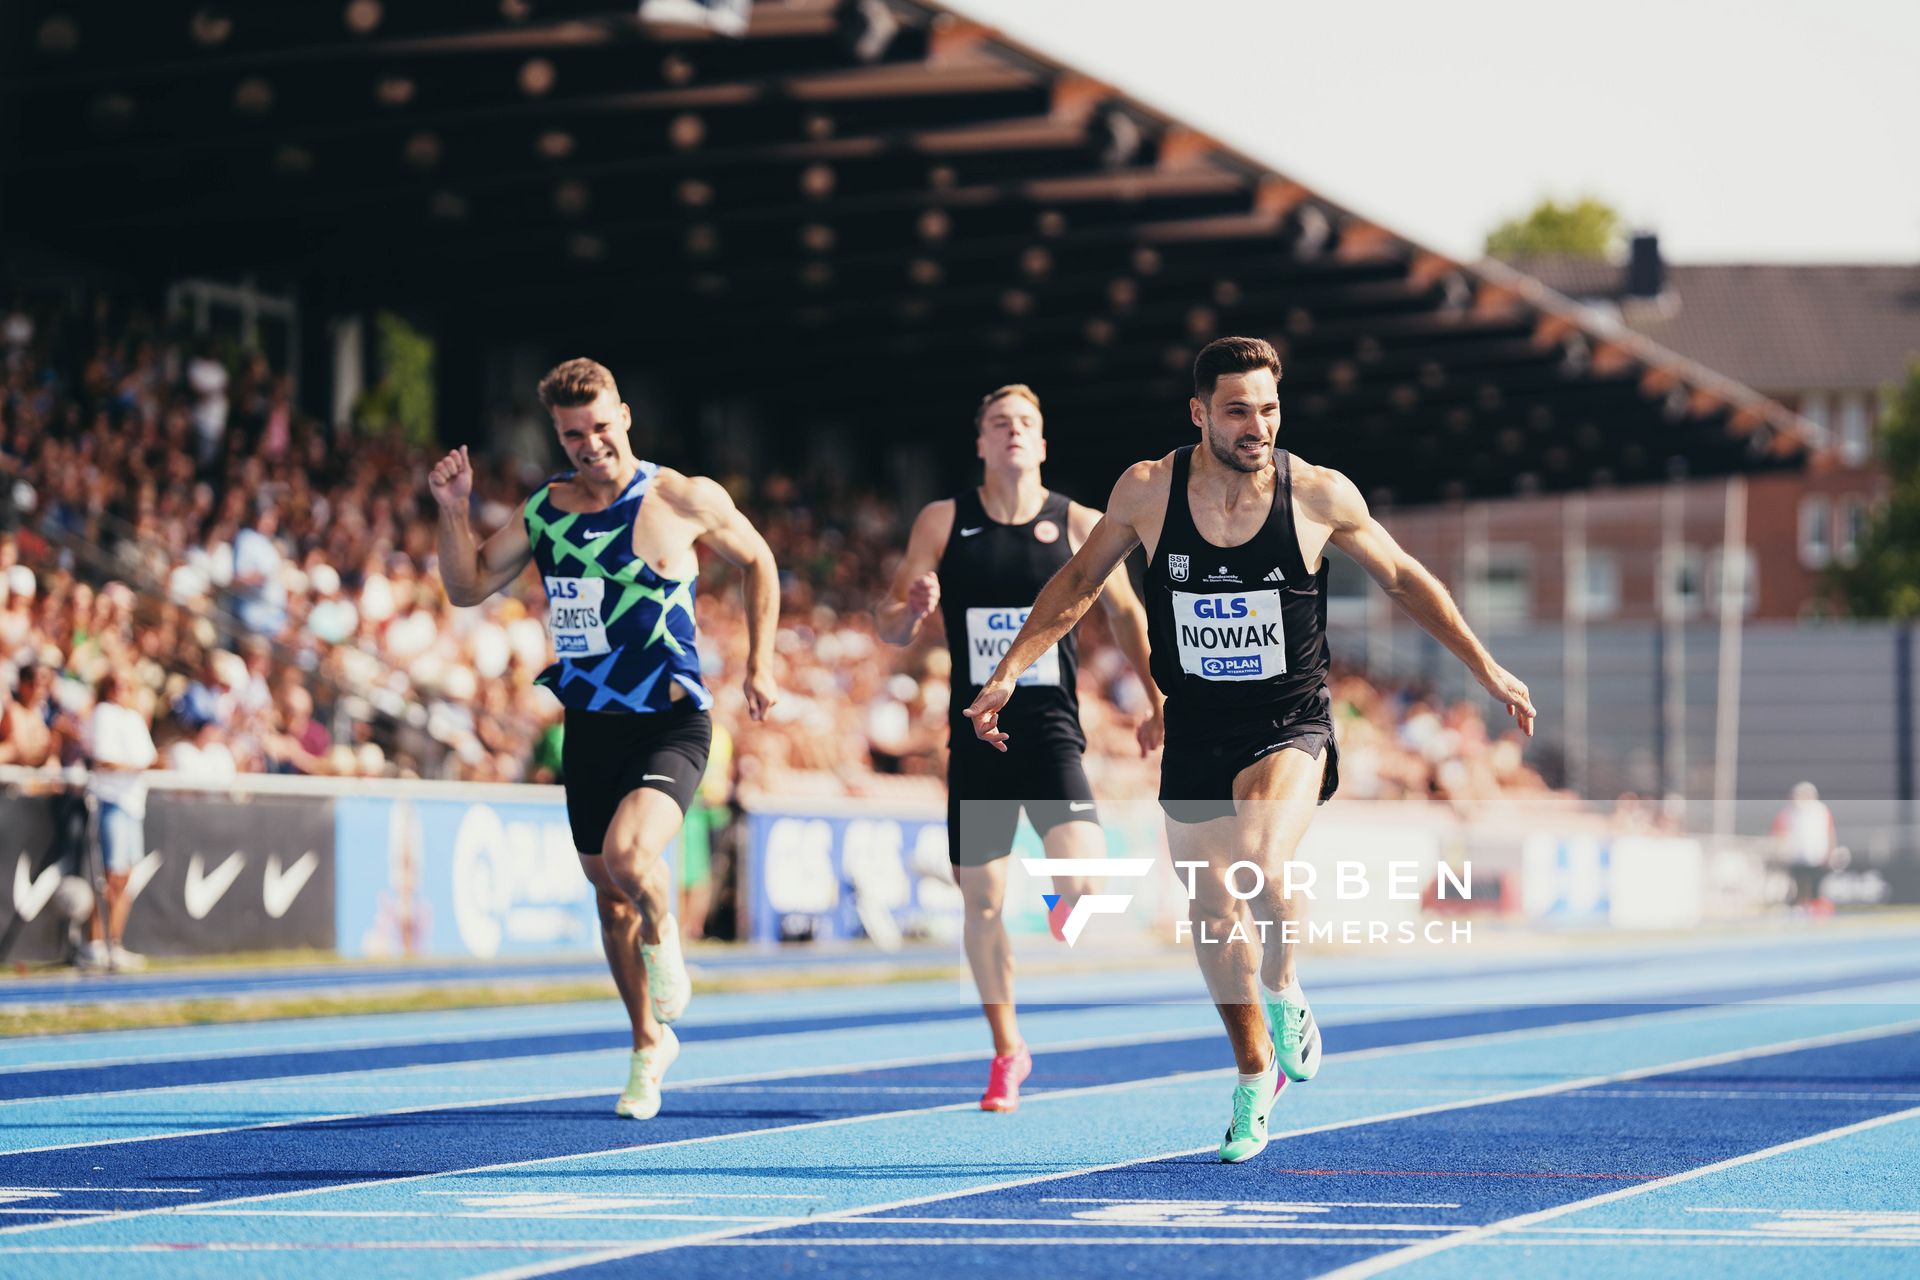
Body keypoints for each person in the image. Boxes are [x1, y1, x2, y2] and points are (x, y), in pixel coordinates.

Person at [963, 336, 1534, 1161]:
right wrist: (1011, 671)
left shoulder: (1320, 496)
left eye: (1268, 409)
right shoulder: (1148, 491)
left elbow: (1406, 578)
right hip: (1197, 726)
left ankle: (1284, 987)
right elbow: (1077, 585)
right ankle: (1249, 1076)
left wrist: (1487, 667)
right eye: (1236, 411)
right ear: (1199, 414)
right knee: (1209, 908)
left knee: (1261, 862)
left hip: (1289, 724)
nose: (1255, 426)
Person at [429, 357, 779, 1121]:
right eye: (570, 435)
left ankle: (669, 946)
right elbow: (465, 587)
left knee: (630, 859)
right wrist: (454, 510)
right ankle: (648, 1044)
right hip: (589, 726)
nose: (588, 445)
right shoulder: (546, 510)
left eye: (598, 427)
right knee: (607, 897)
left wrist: (761, 661)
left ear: (624, 415)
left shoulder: (680, 496)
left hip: (671, 720)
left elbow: (759, 560)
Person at [880, 383, 1162, 1113]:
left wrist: (1157, 699)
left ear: (1042, 443)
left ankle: (1065, 897)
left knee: (1084, 885)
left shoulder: (1078, 522)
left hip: (1049, 729)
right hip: (976, 733)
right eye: (998, 423)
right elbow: (890, 629)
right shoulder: (944, 520)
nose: (1012, 432)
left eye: (1025, 423)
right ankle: (1008, 1052)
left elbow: (1128, 614)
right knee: (982, 902)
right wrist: (908, 613)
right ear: (980, 442)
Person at [83, 671, 158, 972]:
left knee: (125, 877)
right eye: (116, 684)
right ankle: (94, 942)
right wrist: (131, 765)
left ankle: (114, 942)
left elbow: (147, 757)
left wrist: (130, 765)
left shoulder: (133, 719)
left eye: (126, 684)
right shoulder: (103, 714)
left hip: (132, 803)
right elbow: (104, 758)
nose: (121, 690)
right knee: (109, 875)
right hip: (111, 800)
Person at [1772, 781, 1837, 910]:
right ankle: (1800, 913)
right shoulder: (1788, 811)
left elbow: (1830, 832)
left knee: (1816, 889)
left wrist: (1831, 852)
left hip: (1816, 856)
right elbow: (1779, 832)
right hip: (1796, 857)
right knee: (1797, 889)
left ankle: (1817, 915)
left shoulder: (1821, 810)